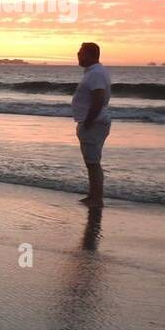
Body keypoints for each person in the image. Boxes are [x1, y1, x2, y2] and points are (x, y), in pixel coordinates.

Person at [72, 42, 111, 207]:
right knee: (92, 162)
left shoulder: (95, 73)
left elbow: (99, 98)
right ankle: (93, 196)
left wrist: (88, 121)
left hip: (94, 124)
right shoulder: (93, 72)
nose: (78, 55)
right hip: (92, 123)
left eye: (81, 52)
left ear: (89, 55)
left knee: (93, 162)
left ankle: (96, 198)